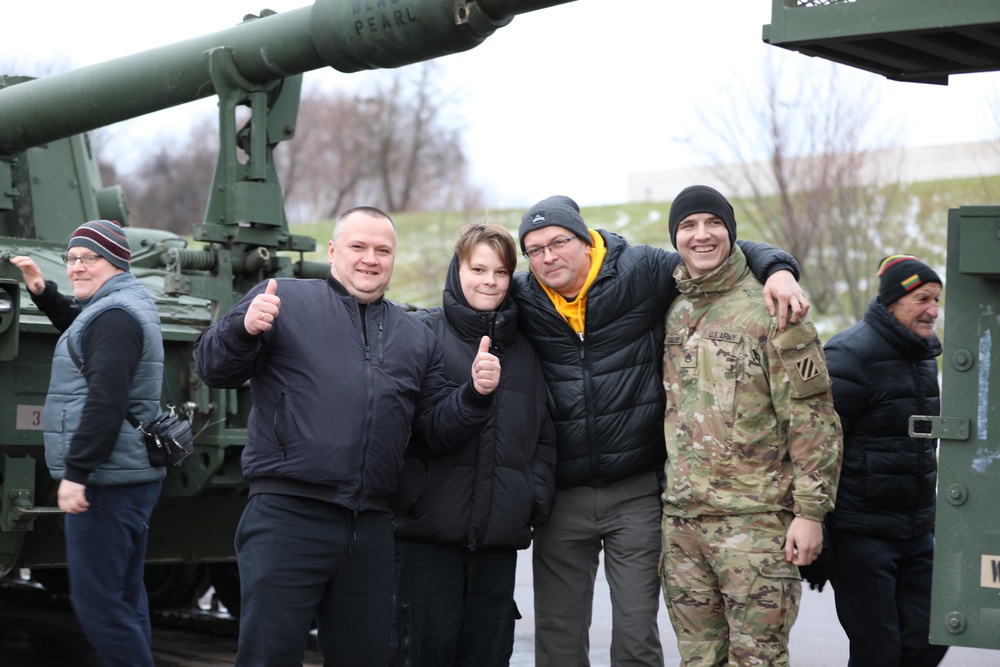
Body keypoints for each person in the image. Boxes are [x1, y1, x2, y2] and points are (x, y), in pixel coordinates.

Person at [194, 206, 501, 667]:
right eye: (358, 246)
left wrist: (475, 396)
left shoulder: (413, 336)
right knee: (269, 657)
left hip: (371, 528)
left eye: (383, 250)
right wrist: (241, 329)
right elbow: (214, 369)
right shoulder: (283, 301)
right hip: (287, 517)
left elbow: (437, 427)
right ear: (334, 250)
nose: (370, 259)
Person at [511, 194, 811, 666]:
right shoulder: (523, 297)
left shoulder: (642, 271)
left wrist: (778, 268)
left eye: (559, 242)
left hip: (636, 491)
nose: (549, 256)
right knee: (558, 635)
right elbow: (467, 298)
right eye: (534, 249)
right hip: (562, 496)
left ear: (586, 240)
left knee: (635, 635)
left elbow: (711, 252)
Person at [657, 185, 843, 666]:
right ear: (675, 238)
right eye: (688, 226)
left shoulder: (775, 310)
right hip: (683, 528)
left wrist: (811, 513)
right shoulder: (673, 311)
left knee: (757, 660)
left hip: (755, 527)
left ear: (730, 231)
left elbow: (814, 418)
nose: (701, 235)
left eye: (713, 223)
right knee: (698, 660)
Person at [391, 221, 558, 666]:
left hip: (496, 543)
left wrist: (531, 498)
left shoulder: (527, 348)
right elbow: (425, 429)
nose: (489, 281)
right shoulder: (421, 333)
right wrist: (473, 394)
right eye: (478, 269)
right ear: (457, 269)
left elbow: (544, 434)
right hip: (428, 539)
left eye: (501, 272)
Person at [9, 220, 165, 667]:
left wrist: (77, 473)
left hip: (106, 482)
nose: (77, 267)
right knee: (122, 598)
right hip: (125, 477)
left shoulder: (115, 317)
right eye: (72, 258)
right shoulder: (117, 307)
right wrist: (43, 292)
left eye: (88, 259)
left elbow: (106, 399)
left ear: (116, 261)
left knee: (100, 605)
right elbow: (84, 337)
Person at [822, 254, 948, 667]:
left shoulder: (924, 355)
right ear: (893, 301)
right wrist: (814, 525)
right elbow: (817, 445)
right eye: (922, 299)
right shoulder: (848, 354)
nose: (933, 310)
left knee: (933, 633)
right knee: (878, 651)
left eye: (937, 300)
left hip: (916, 530)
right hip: (861, 532)